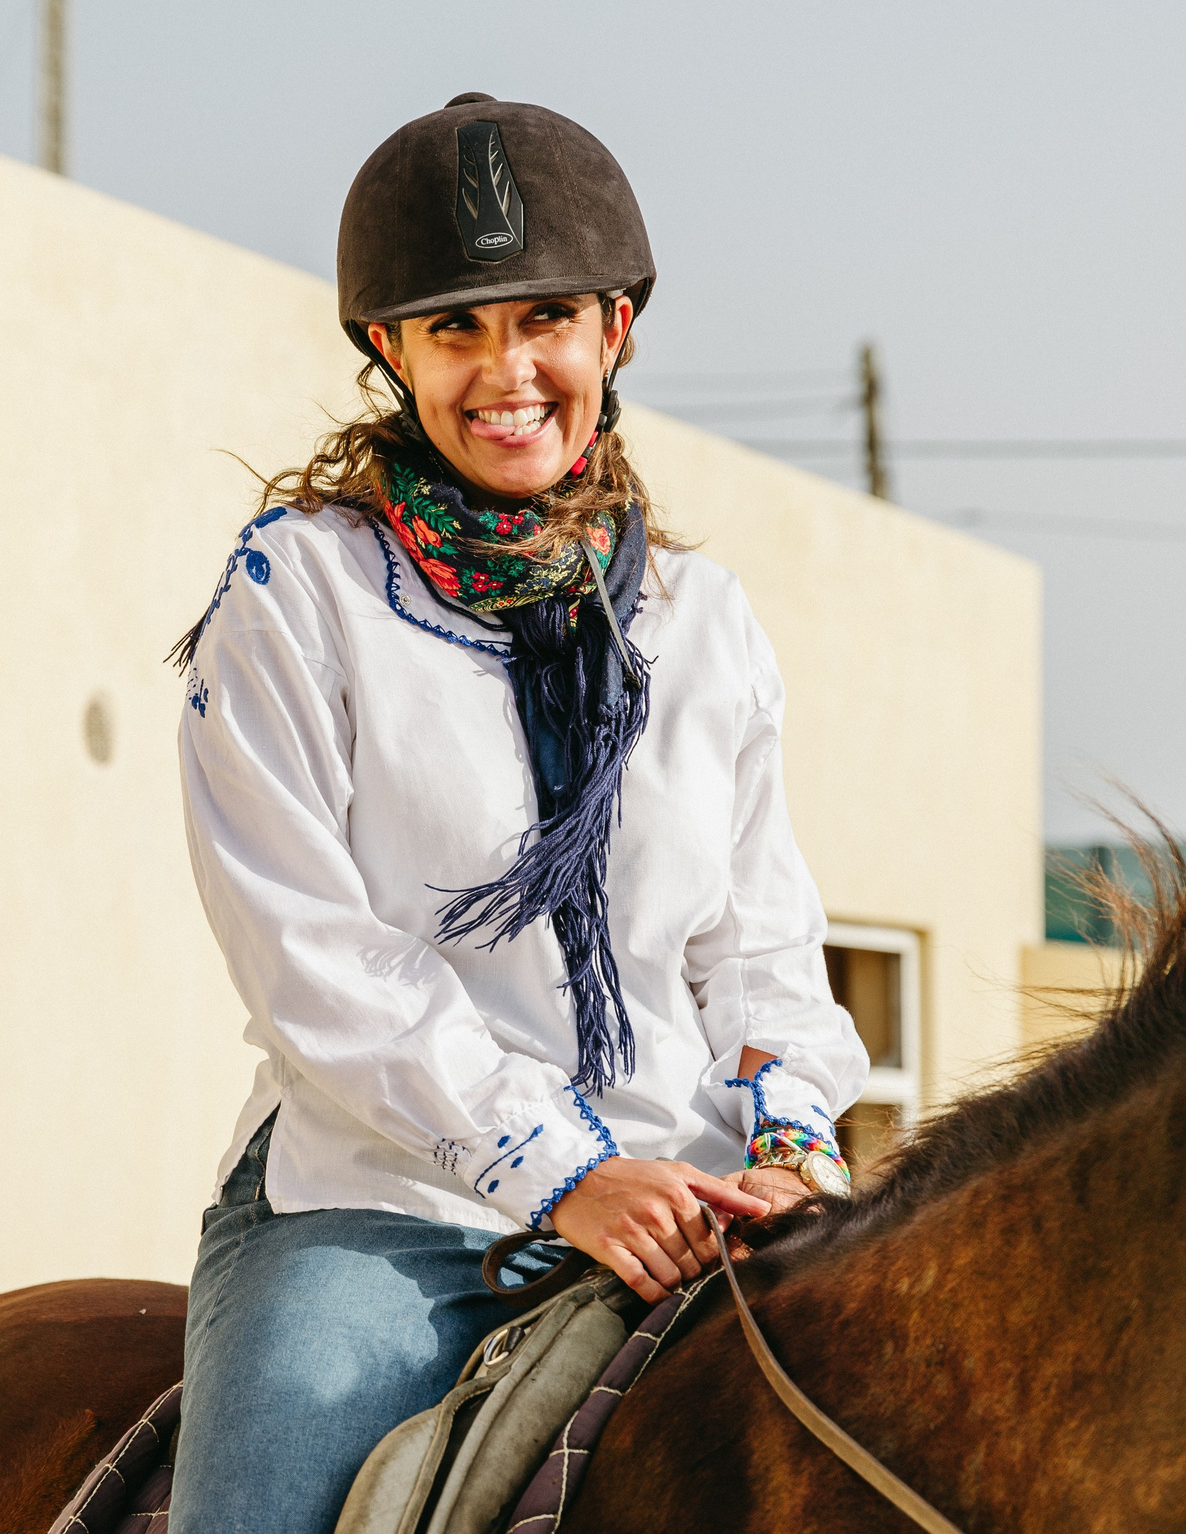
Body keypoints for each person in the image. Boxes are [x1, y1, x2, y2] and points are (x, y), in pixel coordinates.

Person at [168, 93, 868, 1532]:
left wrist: (791, 1136)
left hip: (695, 1199)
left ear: (614, 331)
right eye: (454, 329)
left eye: (545, 317)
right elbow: (319, 965)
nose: (509, 371)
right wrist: (569, 1176)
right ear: (389, 351)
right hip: (388, 1206)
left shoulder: (705, 622)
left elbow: (758, 941)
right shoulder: (294, 597)